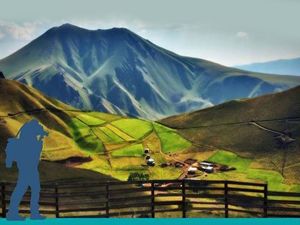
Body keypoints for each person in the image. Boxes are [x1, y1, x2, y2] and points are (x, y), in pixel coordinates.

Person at [5, 119, 48, 220]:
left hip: (28, 167)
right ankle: (16, 213)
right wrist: (41, 141)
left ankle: (17, 213)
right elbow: (35, 154)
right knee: (23, 189)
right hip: (29, 167)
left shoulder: (26, 133)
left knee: (27, 189)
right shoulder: (30, 139)